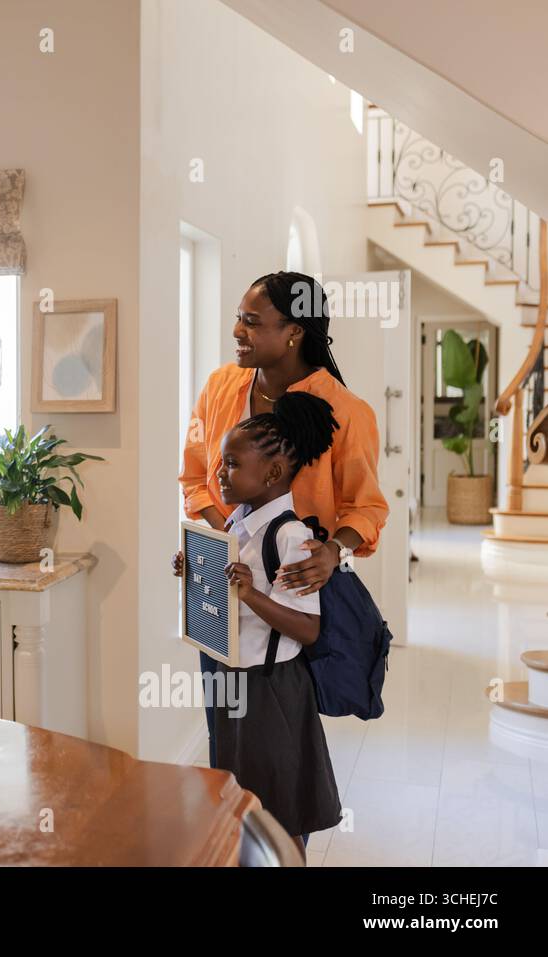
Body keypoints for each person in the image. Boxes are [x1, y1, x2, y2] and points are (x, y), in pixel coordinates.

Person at [180, 271, 388, 767]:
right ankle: (236, 839)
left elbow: (368, 506)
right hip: (223, 595)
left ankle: (282, 839)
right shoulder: (219, 388)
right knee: (225, 738)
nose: (237, 331)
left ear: (294, 331)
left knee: (283, 747)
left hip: (292, 599)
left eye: (252, 322)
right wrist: (226, 540)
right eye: (238, 318)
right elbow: (193, 479)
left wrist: (333, 550)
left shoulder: (346, 412)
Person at [174, 392, 344, 845]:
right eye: (221, 462)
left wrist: (250, 595)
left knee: (282, 803)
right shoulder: (238, 523)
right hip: (235, 679)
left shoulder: (290, 536)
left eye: (231, 464)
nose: (218, 474)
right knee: (243, 792)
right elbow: (229, 590)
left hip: (272, 688)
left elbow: (308, 629)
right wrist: (197, 568)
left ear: (270, 473)